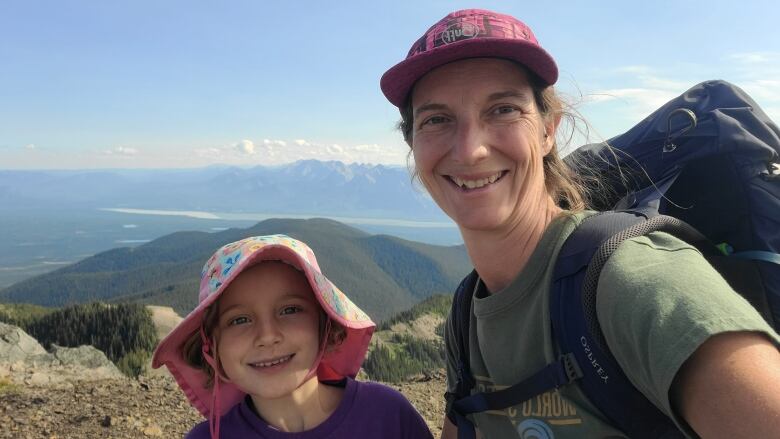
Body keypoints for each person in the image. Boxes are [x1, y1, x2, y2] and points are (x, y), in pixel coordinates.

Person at [380, 8, 780, 439]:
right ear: (413, 143)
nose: (470, 148)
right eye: (436, 119)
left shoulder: (638, 283)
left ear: (548, 130)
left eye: (503, 109)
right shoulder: (468, 312)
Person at [152, 234, 433, 439]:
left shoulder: (388, 415)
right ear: (212, 347)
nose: (268, 335)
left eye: (289, 310)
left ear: (325, 324)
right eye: (239, 320)